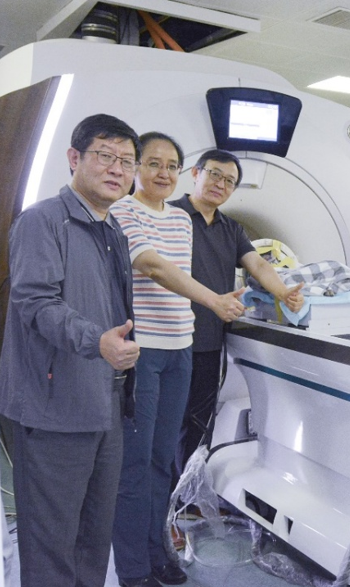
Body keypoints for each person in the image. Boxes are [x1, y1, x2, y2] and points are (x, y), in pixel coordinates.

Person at [0, 114, 141, 587]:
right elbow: (35, 302)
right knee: (51, 543)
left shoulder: (113, 229)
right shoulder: (42, 221)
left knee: (93, 538)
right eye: (105, 155)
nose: (117, 168)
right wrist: (96, 341)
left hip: (105, 404)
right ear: (74, 158)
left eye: (127, 161)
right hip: (54, 407)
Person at [110, 133, 246, 586]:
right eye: (153, 163)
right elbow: (152, 267)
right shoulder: (122, 211)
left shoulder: (180, 220)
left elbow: (179, 277)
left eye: (171, 165)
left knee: (162, 458)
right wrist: (215, 300)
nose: (163, 173)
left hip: (180, 348)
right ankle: (133, 568)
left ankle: (158, 551)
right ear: (136, 168)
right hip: (143, 350)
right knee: (135, 462)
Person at [172, 149, 304, 479]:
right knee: (167, 424)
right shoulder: (170, 216)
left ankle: (187, 493)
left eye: (230, 181)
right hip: (169, 340)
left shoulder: (231, 229)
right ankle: (159, 497)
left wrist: (283, 293)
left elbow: (257, 264)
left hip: (208, 341)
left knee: (199, 423)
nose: (221, 184)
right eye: (215, 174)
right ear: (196, 173)